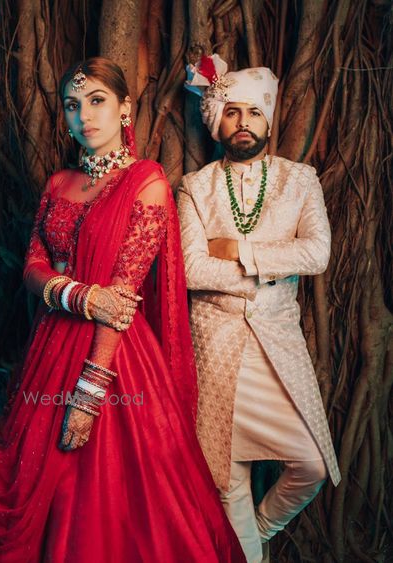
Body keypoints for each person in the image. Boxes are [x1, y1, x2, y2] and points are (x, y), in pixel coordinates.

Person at [0, 57, 246, 562]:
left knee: (112, 498)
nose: (84, 116)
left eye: (97, 101)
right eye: (73, 106)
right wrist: (78, 295)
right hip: (49, 349)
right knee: (32, 474)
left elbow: (123, 297)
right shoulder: (58, 184)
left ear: (124, 109)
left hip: (114, 361)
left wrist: (89, 395)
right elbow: (31, 266)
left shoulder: (147, 180)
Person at [177, 55, 341, 563]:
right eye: (231, 112)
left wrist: (241, 252)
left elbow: (316, 253)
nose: (242, 122)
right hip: (217, 349)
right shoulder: (194, 187)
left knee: (311, 465)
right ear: (217, 121)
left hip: (278, 349)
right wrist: (262, 277)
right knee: (227, 481)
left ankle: (258, 535)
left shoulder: (300, 180)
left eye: (253, 112)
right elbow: (188, 270)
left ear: (269, 118)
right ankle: (248, 553)